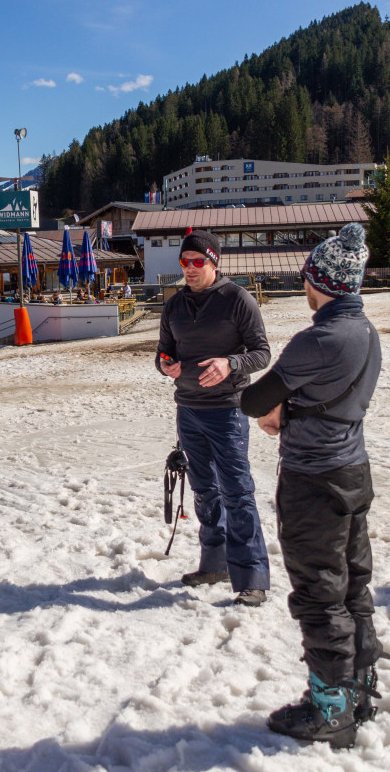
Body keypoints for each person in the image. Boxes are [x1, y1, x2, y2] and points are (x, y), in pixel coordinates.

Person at [239, 223, 384, 749]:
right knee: (352, 584)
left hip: (312, 479)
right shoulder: (366, 331)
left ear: (317, 280)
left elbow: (255, 402)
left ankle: (329, 707)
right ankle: (360, 689)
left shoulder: (318, 337)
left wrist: (276, 412)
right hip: (352, 470)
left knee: (319, 591)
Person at [155, 230, 272, 607]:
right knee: (205, 491)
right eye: (184, 262)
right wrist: (165, 366)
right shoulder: (174, 306)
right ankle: (214, 564)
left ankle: (252, 577)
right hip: (188, 410)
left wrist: (230, 362)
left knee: (237, 491)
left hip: (227, 410)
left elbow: (262, 353)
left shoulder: (238, 300)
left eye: (197, 261)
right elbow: (163, 353)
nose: (190, 268)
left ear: (213, 261)